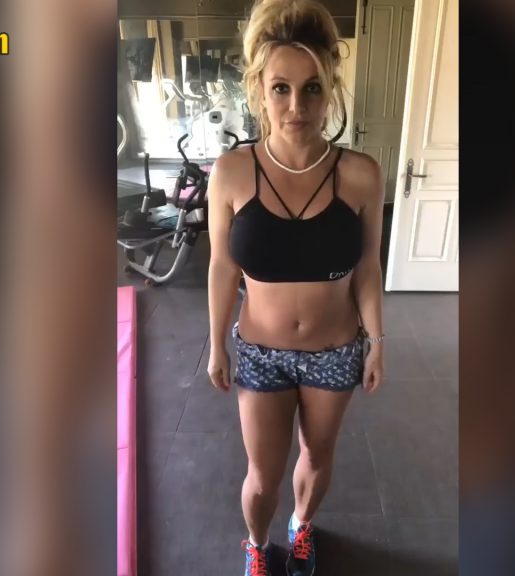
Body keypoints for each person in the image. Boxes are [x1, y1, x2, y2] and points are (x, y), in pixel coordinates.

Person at [205, 1, 386, 574]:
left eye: (312, 89)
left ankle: (302, 527)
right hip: (261, 353)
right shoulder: (231, 172)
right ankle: (258, 547)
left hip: (336, 351)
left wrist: (377, 342)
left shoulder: (361, 174)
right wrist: (216, 344)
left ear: (330, 91)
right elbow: (221, 266)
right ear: (259, 90)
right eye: (280, 88)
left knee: (318, 455)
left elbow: (369, 267)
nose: (296, 107)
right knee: (262, 476)